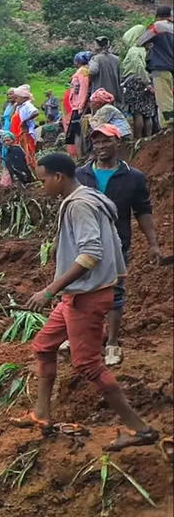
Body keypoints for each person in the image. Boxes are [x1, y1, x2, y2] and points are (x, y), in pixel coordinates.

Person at [13, 153, 160, 450]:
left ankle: (140, 429)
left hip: (86, 297)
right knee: (44, 346)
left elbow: (91, 254)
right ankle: (41, 413)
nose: (42, 185)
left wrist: (49, 290)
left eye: (43, 179)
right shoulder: (89, 197)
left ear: (59, 177)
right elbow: (109, 244)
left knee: (88, 365)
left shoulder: (80, 206)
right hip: (77, 295)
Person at [75, 123, 165, 367]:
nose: (101, 146)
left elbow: (143, 211)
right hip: (84, 244)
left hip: (118, 243)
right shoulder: (82, 174)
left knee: (115, 292)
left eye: (106, 141)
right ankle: (83, 336)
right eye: (97, 142)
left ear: (118, 143)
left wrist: (153, 244)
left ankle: (112, 342)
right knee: (82, 289)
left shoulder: (133, 177)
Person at [138, 5, 174, 124]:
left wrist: (150, 46)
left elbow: (140, 41)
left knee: (164, 99)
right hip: (171, 68)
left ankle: (169, 125)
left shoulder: (157, 26)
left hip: (160, 67)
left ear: (157, 16)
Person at [89, 36, 123, 108]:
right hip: (114, 92)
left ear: (97, 46)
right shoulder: (116, 59)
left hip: (100, 94)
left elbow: (92, 71)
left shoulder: (96, 58)